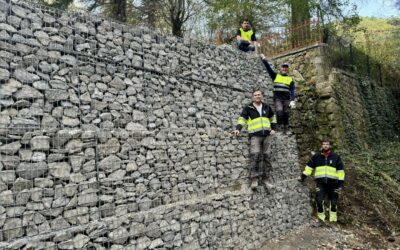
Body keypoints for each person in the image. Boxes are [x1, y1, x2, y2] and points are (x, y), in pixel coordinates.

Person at [232, 88, 277, 190]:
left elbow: (273, 118)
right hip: (255, 136)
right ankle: (254, 179)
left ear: (262, 96)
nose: (258, 96)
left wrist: (273, 129)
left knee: (267, 157)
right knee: (255, 156)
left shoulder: (267, 107)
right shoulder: (248, 108)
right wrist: (238, 129)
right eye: (256, 95)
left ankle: (266, 179)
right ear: (252, 97)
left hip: (267, 136)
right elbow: (242, 119)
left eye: (259, 94)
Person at [299, 139, 345, 222]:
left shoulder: (336, 157)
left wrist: (340, 184)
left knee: (334, 203)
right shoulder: (316, 156)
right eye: (324, 144)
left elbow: (340, 171)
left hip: (334, 184)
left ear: (330, 146)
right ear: (322, 145)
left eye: (327, 144)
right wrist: (303, 176)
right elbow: (309, 168)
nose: (325, 146)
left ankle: (333, 219)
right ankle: (321, 218)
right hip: (321, 184)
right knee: (319, 201)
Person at [260, 54, 296, 133]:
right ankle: (280, 126)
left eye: (286, 68)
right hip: (278, 98)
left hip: (287, 99)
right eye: (283, 67)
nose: (284, 69)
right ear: (281, 69)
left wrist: (293, 100)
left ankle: (286, 127)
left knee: (286, 113)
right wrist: (264, 59)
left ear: (288, 70)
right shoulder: (276, 76)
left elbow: (292, 90)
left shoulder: (290, 79)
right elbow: (269, 69)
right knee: (279, 112)